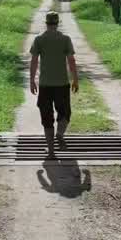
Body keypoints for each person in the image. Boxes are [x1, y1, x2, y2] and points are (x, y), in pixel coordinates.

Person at [29, 10, 79, 157]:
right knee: (65, 113)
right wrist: (75, 79)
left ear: (46, 23)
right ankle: (60, 134)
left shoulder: (39, 40)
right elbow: (71, 61)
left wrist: (32, 80)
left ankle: (51, 151)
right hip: (62, 84)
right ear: (57, 23)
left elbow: (34, 61)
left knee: (47, 116)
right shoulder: (65, 39)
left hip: (45, 85)